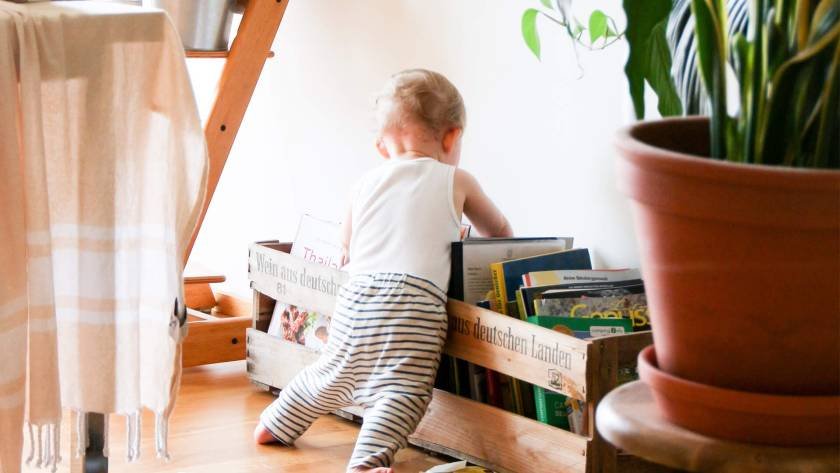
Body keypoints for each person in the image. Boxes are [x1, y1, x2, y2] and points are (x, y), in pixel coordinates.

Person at [253, 69, 512, 473]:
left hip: (357, 298)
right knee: (402, 392)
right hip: (415, 306)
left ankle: (276, 423)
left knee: (333, 372)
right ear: (451, 137)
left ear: (381, 146)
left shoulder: (363, 184)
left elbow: (346, 247)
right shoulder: (456, 179)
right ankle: (365, 463)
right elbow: (498, 233)